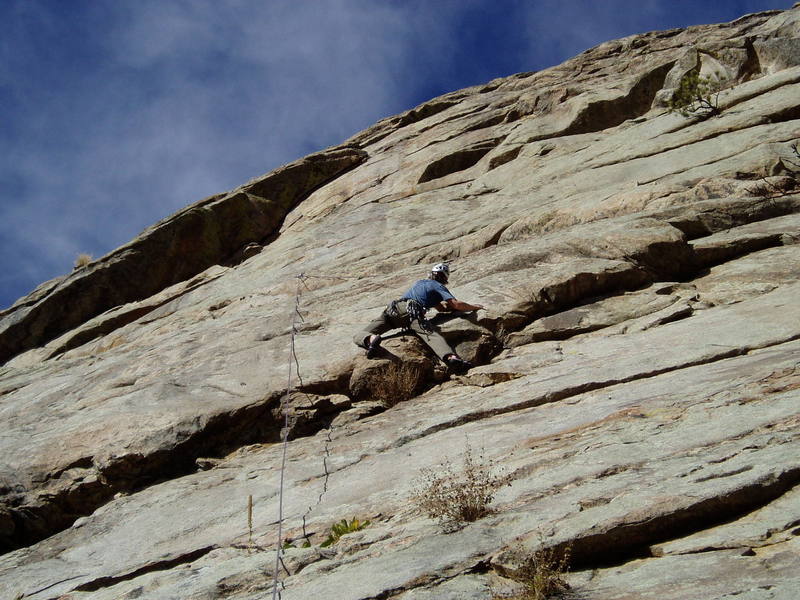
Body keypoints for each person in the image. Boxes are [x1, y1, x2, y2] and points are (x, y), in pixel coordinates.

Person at [353, 263, 484, 373]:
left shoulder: (420, 283)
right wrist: (474, 307)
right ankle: (451, 358)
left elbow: (441, 308)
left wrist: (448, 308)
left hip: (393, 311)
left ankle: (371, 340)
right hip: (412, 313)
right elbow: (455, 304)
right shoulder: (438, 286)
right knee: (431, 335)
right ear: (443, 278)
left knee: (359, 334)